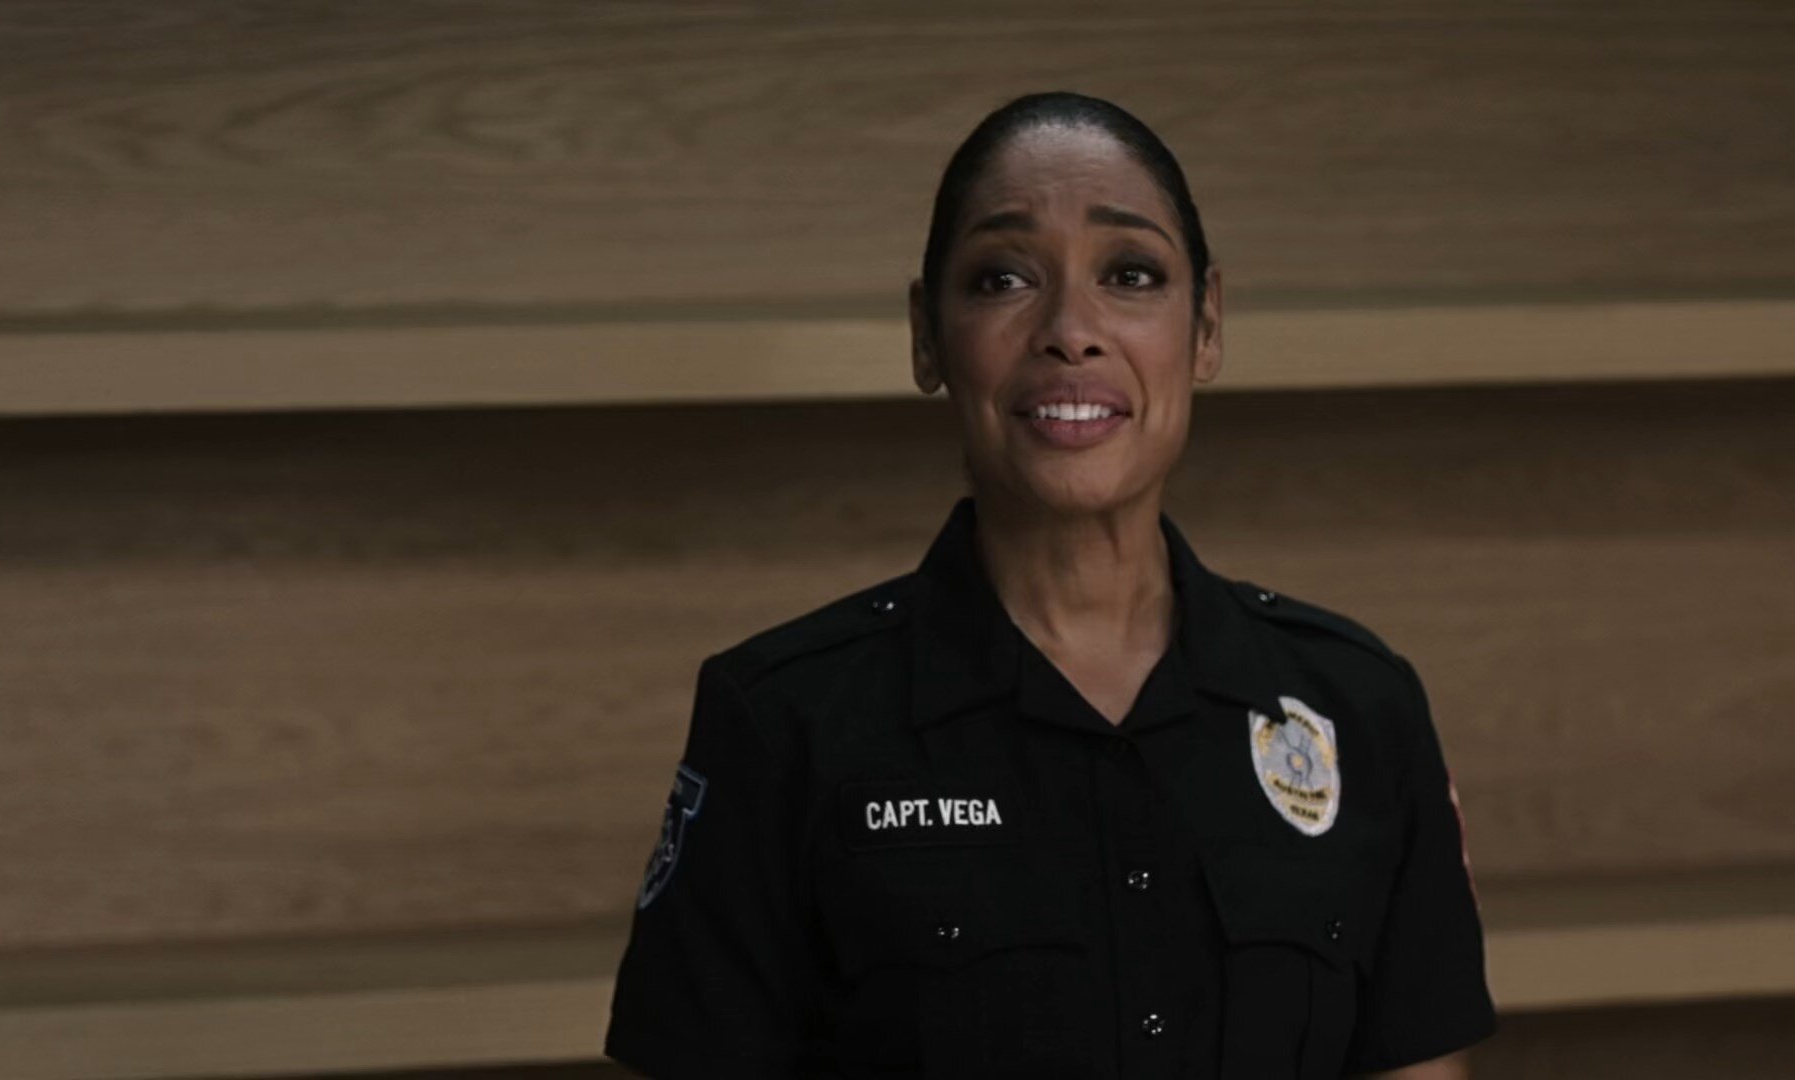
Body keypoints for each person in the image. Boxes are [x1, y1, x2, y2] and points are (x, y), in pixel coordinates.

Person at [604, 91, 1496, 1079]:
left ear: (1206, 326)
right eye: (1003, 278)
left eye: (1130, 275)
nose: (1072, 331)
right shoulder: (782, 721)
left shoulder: (1359, 707)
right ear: (926, 336)